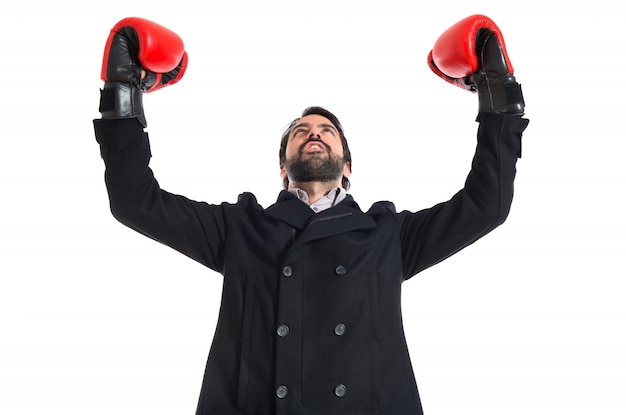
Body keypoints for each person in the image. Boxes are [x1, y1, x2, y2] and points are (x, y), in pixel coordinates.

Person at [93, 14, 529, 415]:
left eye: (326, 131)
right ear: (283, 168)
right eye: (301, 132)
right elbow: (136, 201)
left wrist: (496, 94)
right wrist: (123, 93)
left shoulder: (388, 235)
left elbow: (485, 205)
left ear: (348, 166)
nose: (313, 133)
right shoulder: (240, 228)